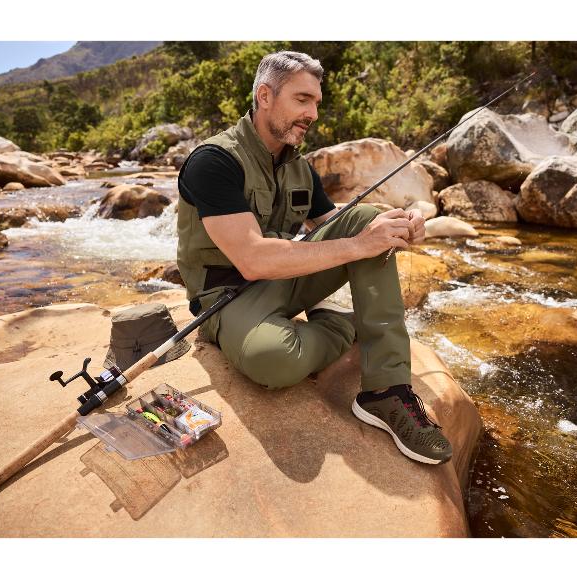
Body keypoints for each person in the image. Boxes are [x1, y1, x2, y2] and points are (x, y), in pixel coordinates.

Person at [177, 50, 452, 464]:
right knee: (273, 361)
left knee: (369, 218)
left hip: (285, 280)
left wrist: (399, 225)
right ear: (265, 96)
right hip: (225, 298)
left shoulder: (300, 168)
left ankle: (387, 390)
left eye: (317, 103)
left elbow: (340, 224)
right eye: (302, 99)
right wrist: (360, 244)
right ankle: (343, 324)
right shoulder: (213, 162)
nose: (313, 114)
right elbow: (252, 259)